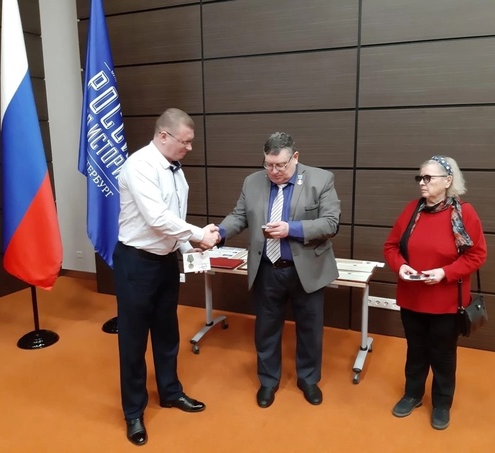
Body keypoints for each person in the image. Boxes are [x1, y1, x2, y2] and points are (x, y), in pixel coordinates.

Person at [113, 108, 220, 446]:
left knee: (166, 331)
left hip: (164, 262)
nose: (189, 148)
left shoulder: (175, 169)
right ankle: (133, 411)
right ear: (163, 136)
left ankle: (170, 392)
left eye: (190, 142)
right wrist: (200, 235)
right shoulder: (139, 166)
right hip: (136, 262)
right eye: (184, 142)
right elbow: (157, 218)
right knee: (133, 341)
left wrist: (190, 246)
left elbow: (174, 218)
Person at [218, 131, 340, 408]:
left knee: (310, 329)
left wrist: (291, 229)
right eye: (268, 164)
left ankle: (308, 379)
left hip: (306, 269)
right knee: (266, 328)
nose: (273, 171)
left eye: (280, 165)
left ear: (295, 157)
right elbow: (239, 216)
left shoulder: (321, 179)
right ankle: (268, 381)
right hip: (267, 269)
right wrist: (220, 232)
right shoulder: (252, 182)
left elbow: (331, 223)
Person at [383, 155, 487, 430]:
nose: (422, 182)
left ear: (448, 180)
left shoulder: (465, 213)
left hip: (446, 301)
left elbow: (477, 255)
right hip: (412, 298)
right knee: (415, 350)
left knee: (443, 354)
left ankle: (442, 403)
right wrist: (401, 267)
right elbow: (391, 247)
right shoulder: (411, 210)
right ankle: (413, 394)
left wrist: (444, 273)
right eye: (420, 177)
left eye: (428, 177)